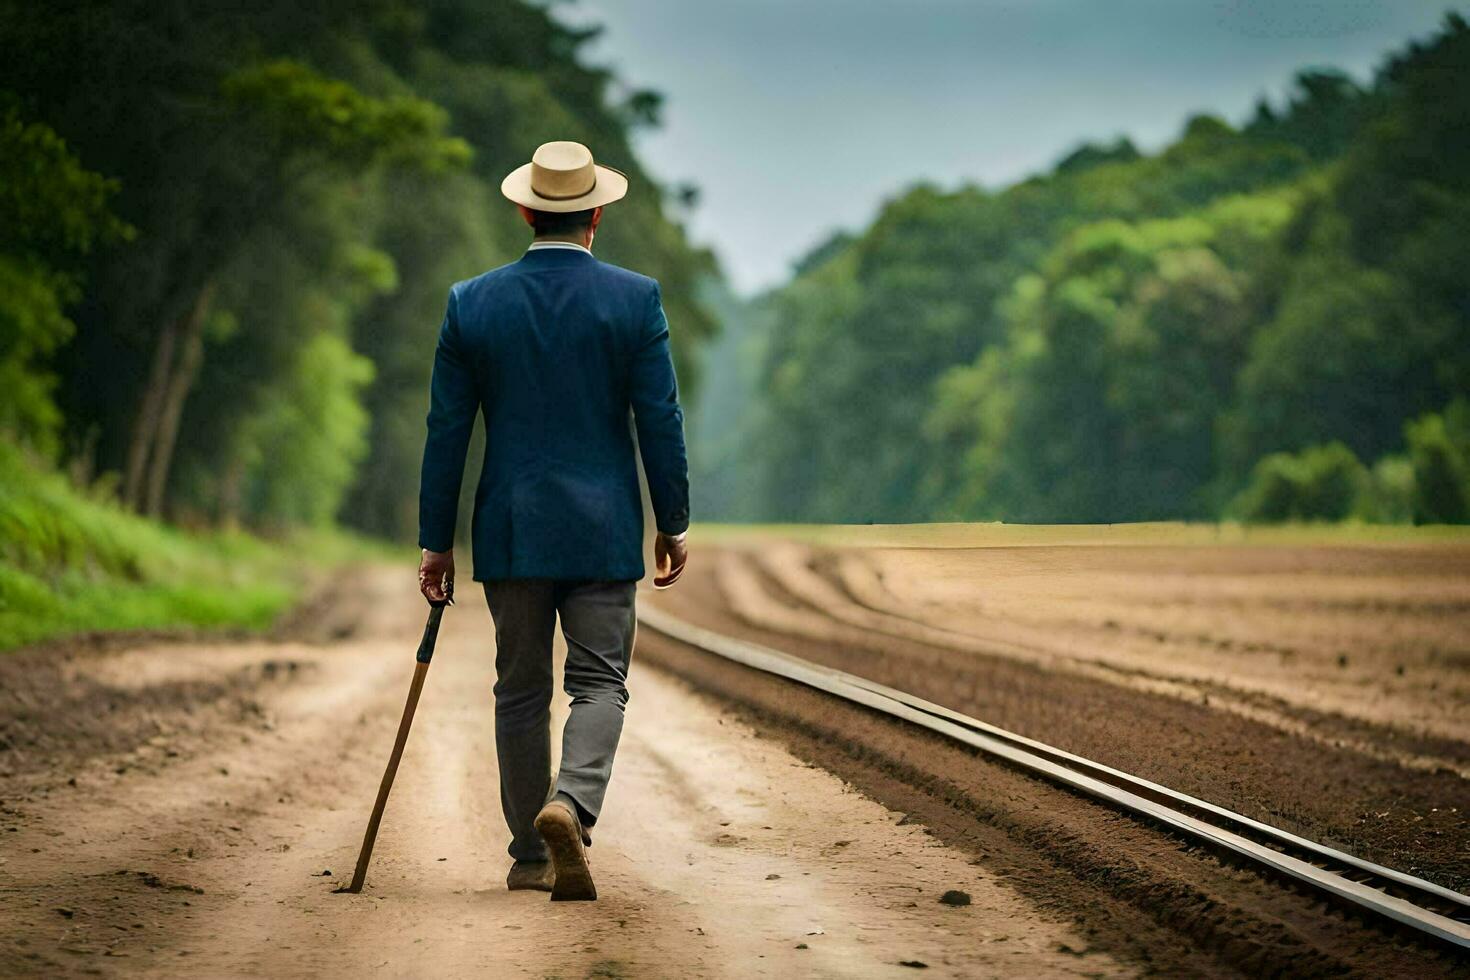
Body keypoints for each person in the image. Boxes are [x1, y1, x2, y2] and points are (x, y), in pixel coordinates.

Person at [416, 141, 689, 901]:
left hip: (512, 527)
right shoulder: (635, 299)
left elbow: (448, 430)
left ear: (524, 209)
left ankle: (528, 857)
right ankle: (568, 804)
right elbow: (658, 418)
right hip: (603, 529)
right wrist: (673, 520)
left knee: (520, 689)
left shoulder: (473, 302)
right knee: (600, 684)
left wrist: (436, 541)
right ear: (598, 212)